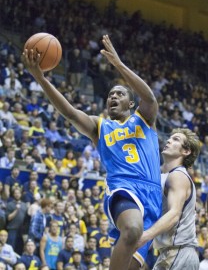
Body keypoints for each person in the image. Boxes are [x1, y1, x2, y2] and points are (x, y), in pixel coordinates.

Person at [22, 34, 162, 269]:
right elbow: (69, 113)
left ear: (130, 104)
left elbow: (148, 97)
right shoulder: (100, 126)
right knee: (132, 229)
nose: (113, 96)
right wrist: (41, 78)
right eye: (110, 95)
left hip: (153, 197)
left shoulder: (144, 118)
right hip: (123, 187)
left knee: (134, 264)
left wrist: (118, 64)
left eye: (120, 93)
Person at [137, 128, 201, 269]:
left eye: (176, 139)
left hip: (179, 252)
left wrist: (145, 236)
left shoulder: (178, 176)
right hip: (169, 253)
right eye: (170, 138)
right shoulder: (161, 175)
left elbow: (174, 214)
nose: (169, 140)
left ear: (186, 151)